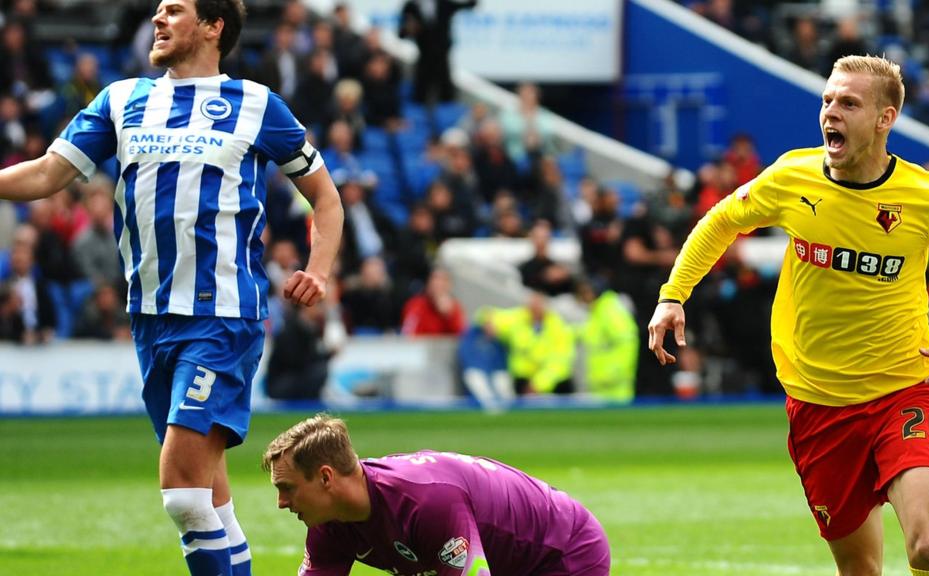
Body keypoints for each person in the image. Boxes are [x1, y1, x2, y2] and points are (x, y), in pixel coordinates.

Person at [0, 2, 344, 576]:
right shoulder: (120, 99)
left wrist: (321, 268)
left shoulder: (257, 105)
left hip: (221, 317)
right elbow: (44, 173)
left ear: (213, 27)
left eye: (174, 10)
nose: (157, 19)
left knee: (182, 493)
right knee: (209, 499)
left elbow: (327, 198)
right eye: (157, 10)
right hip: (150, 319)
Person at [648, 55, 929, 576]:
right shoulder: (791, 176)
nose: (831, 112)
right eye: (827, 100)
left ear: (884, 119)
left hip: (907, 390)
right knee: (860, 570)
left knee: (928, 546)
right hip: (819, 405)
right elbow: (720, 221)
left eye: (848, 103)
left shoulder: (928, 197)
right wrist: (673, 294)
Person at [263, 413, 611, 576]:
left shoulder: (426, 503)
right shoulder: (330, 522)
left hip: (564, 552)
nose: (282, 503)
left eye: (287, 488)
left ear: (326, 477)